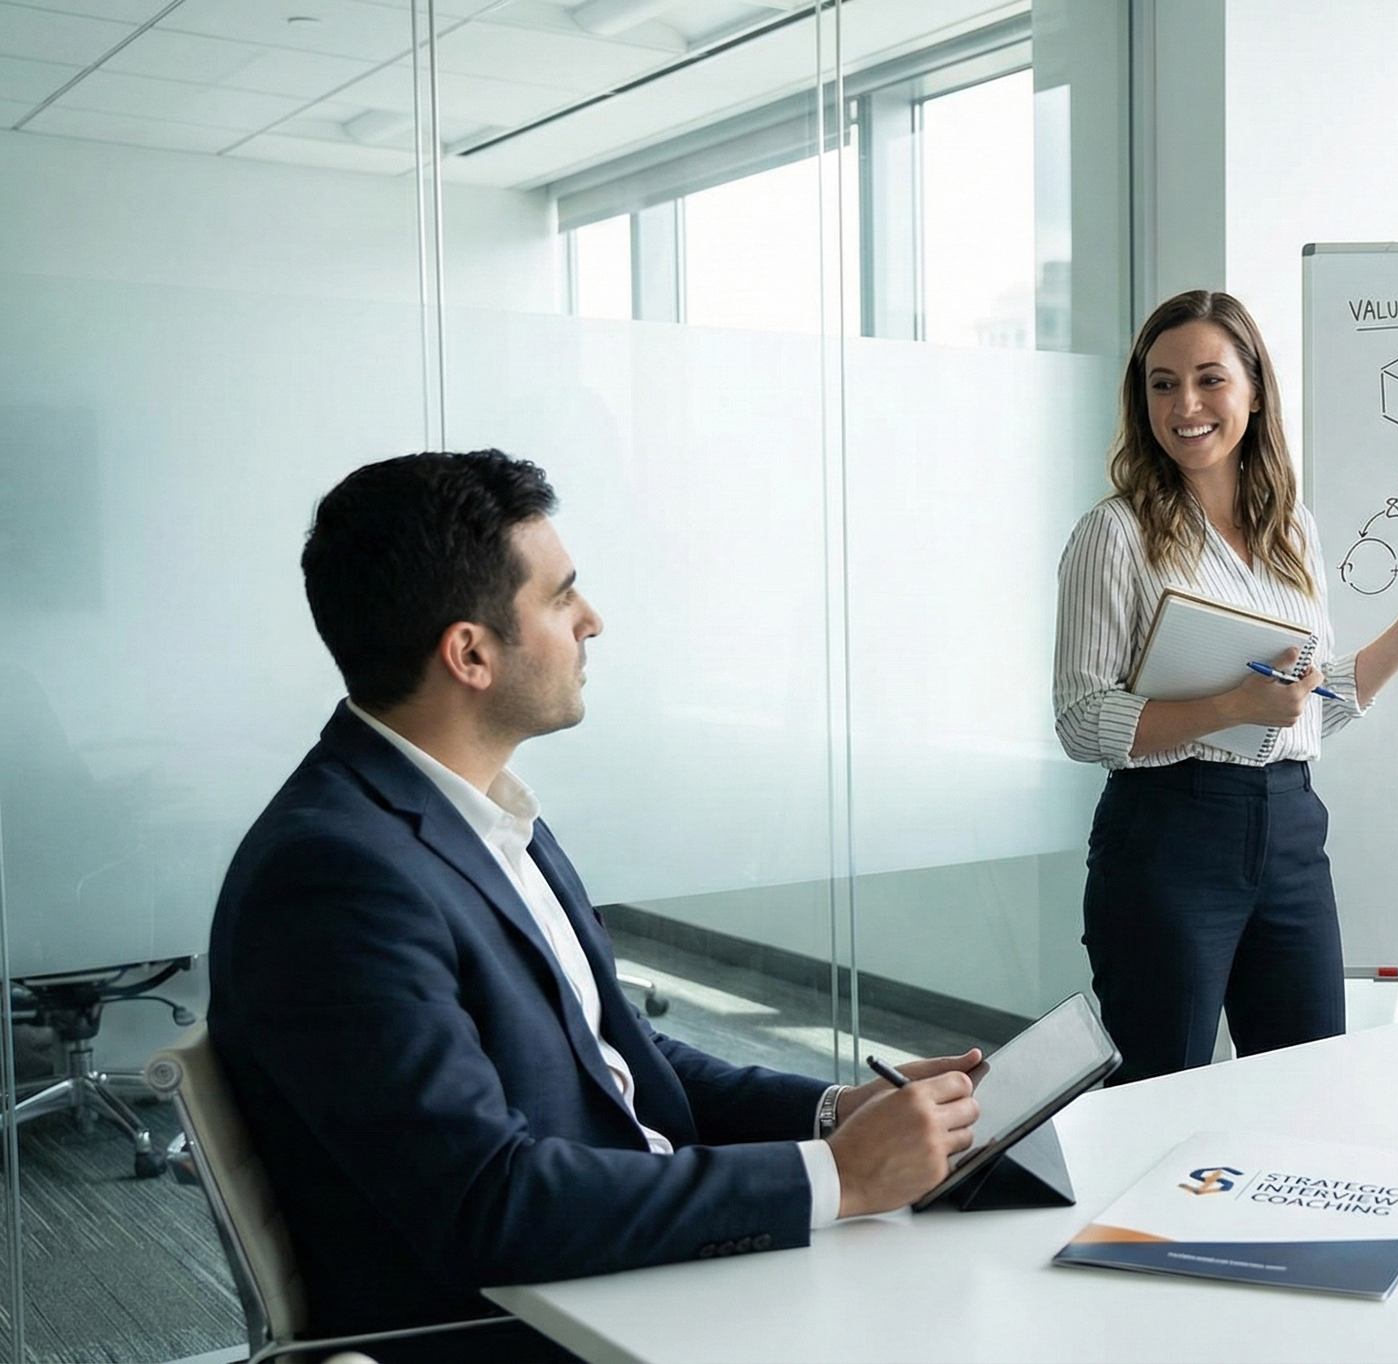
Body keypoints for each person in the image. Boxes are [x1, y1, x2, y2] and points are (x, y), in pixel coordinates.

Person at [210, 450, 983, 1361]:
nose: (592, 620)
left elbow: (618, 1055)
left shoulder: (483, 809)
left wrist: (833, 1114)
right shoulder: (335, 876)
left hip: (636, 1264)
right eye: (560, 597)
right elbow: (489, 1205)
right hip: (531, 1322)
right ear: (471, 654)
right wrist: (837, 1178)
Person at [1053, 290, 1398, 1085]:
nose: (1186, 405)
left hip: (1291, 831)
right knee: (1157, 1088)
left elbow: (1307, 708)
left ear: (1254, 390)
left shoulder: (1292, 528)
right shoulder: (1116, 532)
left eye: (1210, 379)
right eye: (1162, 384)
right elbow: (1080, 720)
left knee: (1306, 1085)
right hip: (1169, 836)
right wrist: (1227, 709)